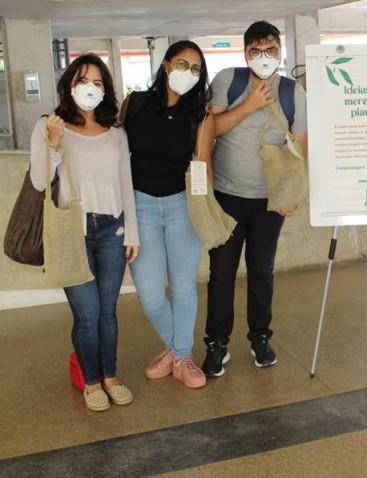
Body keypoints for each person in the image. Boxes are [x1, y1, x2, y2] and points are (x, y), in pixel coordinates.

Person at [30, 54, 139, 411]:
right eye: (82, 80)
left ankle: (111, 376)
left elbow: (126, 183)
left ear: (105, 89)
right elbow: (39, 181)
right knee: (88, 314)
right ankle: (91, 380)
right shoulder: (50, 124)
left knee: (107, 311)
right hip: (72, 232)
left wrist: (132, 234)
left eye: (97, 82)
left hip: (113, 229)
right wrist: (53, 143)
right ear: (68, 84)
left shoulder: (116, 131)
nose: (89, 88)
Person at [202, 20, 308, 376]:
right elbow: (211, 129)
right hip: (226, 196)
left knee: (262, 271)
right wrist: (249, 105)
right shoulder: (227, 81)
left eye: (271, 50)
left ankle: (260, 337)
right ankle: (216, 343)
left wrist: (291, 193)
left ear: (281, 52)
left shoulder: (293, 92)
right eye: (256, 51)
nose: (264, 57)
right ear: (245, 53)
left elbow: (300, 147)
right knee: (222, 272)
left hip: (270, 201)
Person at [122, 40, 215, 389]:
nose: (187, 73)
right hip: (139, 206)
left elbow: (204, 168)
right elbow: (117, 152)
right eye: (182, 64)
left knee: (183, 287)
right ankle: (179, 354)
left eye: (195, 69)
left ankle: (179, 356)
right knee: (148, 293)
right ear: (165, 66)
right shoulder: (136, 104)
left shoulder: (200, 115)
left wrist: (212, 214)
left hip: (181, 207)